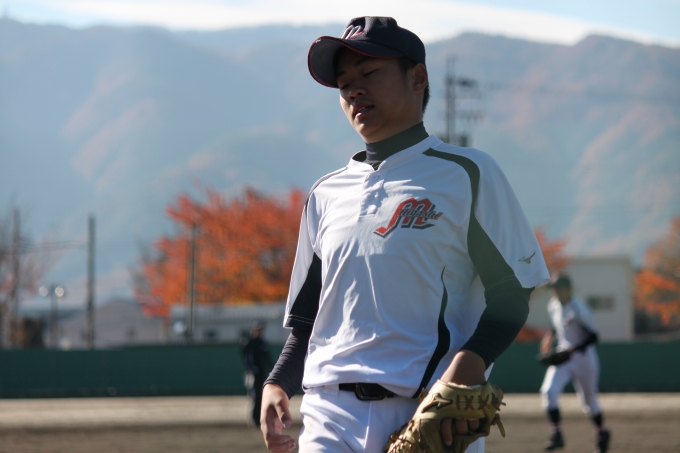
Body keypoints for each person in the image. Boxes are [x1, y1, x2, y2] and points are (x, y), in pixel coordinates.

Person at [260, 16, 550, 453]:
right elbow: (308, 319)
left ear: (417, 78)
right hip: (327, 413)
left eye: (369, 73)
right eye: (344, 83)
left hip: (429, 410)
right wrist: (277, 381)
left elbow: (512, 292)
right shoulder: (324, 194)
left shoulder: (467, 173)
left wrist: (464, 372)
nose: (354, 90)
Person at [539, 274, 610, 452]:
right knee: (548, 391)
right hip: (563, 356)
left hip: (584, 359)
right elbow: (556, 326)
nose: (555, 292)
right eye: (554, 289)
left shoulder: (579, 307)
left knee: (589, 401)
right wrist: (548, 338)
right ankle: (557, 434)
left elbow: (594, 336)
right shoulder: (553, 306)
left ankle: (602, 433)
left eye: (559, 288)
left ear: (569, 290)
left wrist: (573, 349)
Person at [242, 320, 273, 427]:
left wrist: (272, 371)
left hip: (263, 374)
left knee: (262, 396)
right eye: (257, 330)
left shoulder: (263, 343)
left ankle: (261, 418)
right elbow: (247, 360)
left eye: (261, 330)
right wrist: (253, 370)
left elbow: (268, 359)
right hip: (253, 374)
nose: (259, 332)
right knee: (255, 396)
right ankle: (254, 419)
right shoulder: (249, 343)